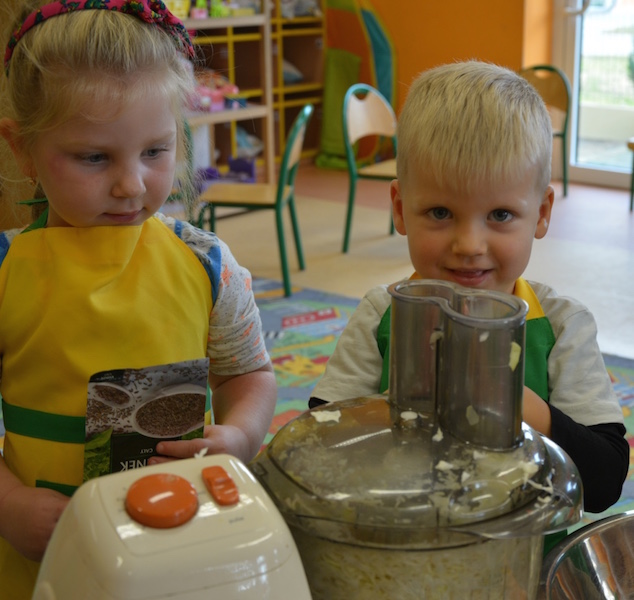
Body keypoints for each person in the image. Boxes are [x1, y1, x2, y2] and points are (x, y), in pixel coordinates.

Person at [0, 0, 277, 596]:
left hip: (183, 543)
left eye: (155, 151)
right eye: (94, 157)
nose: (131, 185)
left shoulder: (208, 264)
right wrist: (8, 503)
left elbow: (249, 373)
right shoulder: (4, 272)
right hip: (43, 554)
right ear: (22, 149)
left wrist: (240, 437)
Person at [310, 61, 629, 550]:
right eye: (440, 212)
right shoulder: (380, 316)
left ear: (541, 214)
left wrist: (517, 404)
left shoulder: (563, 326)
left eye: (500, 214)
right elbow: (320, 448)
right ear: (400, 208)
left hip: (524, 564)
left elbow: (605, 483)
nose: (469, 245)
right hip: (398, 556)